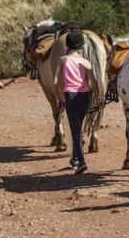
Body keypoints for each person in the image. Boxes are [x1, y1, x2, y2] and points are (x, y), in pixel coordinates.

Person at [54, 30, 99, 174]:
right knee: (78, 129)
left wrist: (60, 98)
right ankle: (76, 158)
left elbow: (55, 82)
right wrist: (98, 99)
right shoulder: (86, 62)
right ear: (81, 45)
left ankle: (81, 162)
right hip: (84, 96)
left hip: (70, 96)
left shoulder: (63, 60)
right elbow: (94, 83)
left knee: (75, 131)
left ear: (68, 44)